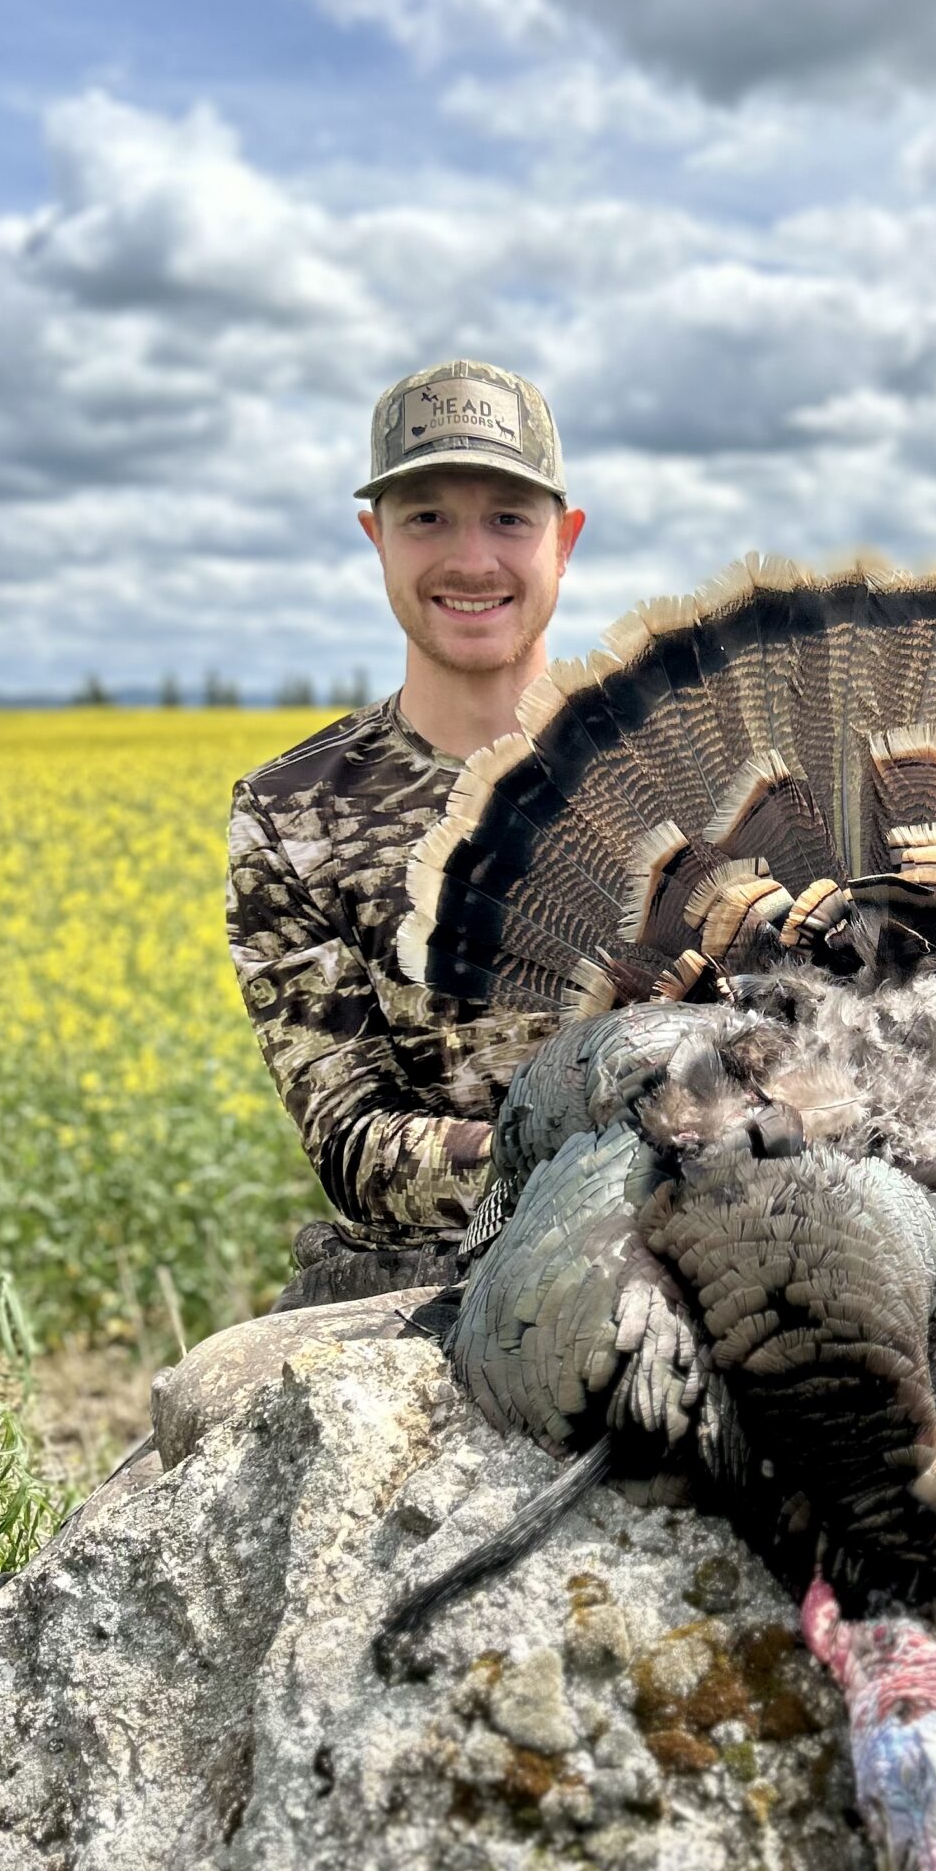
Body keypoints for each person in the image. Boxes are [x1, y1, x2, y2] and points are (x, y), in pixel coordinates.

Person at [227, 359, 584, 1310]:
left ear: (565, 542)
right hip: (429, 1291)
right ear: (375, 538)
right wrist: (604, 1156)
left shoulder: (697, 771)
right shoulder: (292, 814)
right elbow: (357, 1147)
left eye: (508, 518)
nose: (472, 560)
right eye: (427, 517)